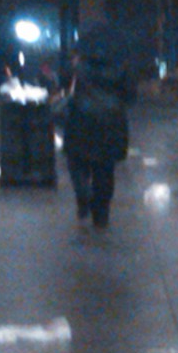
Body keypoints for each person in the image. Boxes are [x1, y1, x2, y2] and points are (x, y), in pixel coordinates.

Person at [60, 47, 132, 230]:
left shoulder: (77, 68)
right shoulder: (120, 69)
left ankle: (83, 195)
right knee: (105, 171)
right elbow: (130, 96)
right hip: (110, 124)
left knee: (77, 163)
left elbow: (63, 85)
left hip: (80, 121)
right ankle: (101, 215)